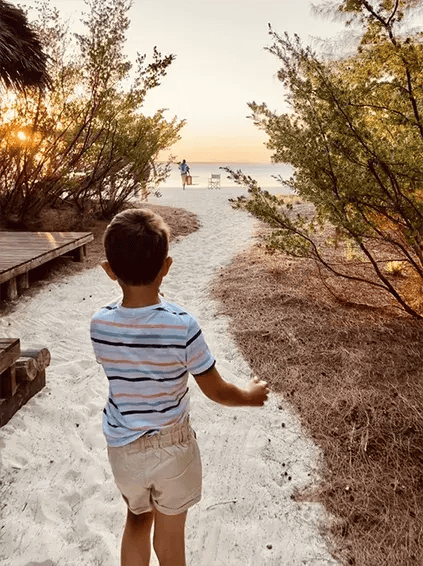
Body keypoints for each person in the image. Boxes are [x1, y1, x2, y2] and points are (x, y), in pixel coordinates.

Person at [90, 208, 269, 566]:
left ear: (109, 271)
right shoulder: (181, 326)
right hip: (172, 448)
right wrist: (249, 396)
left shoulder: (100, 324)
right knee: (171, 537)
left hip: (122, 448)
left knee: (137, 521)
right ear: (166, 266)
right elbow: (216, 390)